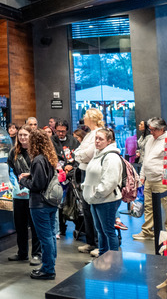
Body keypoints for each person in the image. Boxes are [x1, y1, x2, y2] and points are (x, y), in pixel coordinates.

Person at [19, 129, 60, 280]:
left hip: (40, 204)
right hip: (51, 202)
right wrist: (30, 174)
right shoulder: (49, 157)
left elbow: (37, 184)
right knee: (50, 235)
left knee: (45, 238)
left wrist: (23, 180)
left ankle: (48, 269)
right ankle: (50, 264)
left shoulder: (37, 160)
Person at [83, 128, 123, 257]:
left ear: (109, 141)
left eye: (101, 139)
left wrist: (96, 195)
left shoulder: (111, 157)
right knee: (100, 231)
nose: (97, 141)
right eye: (96, 138)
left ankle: (113, 261)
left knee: (108, 231)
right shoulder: (98, 154)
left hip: (106, 200)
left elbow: (109, 183)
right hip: (96, 200)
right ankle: (102, 257)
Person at [6, 125, 42, 266]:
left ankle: (37, 254)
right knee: (20, 226)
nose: (22, 137)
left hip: (33, 195)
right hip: (18, 194)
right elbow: (11, 170)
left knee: (35, 226)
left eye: (25, 135)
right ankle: (22, 253)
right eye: (20, 135)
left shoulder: (37, 152)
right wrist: (16, 186)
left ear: (31, 136)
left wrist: (28, 186)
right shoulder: (13, 152)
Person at [134, 117, 167, 240]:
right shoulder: (150, 139)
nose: (150, 132)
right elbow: (146, 159)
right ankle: (147, 231)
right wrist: (142, 176)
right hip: (149, 179)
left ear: (161, 129)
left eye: (153, 130)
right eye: (149, 129)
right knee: (148, 206)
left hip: (162, 179)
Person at [72, 108, 104, 254]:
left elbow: (87, 154)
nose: (83, 118)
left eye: (85, 116)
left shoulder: (98, 133)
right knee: (86, 208)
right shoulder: (90, 134)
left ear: (91, 117)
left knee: (93, 208)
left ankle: (99, 244)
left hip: (93, 172)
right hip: (85, 170)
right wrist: (79, 155)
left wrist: (78, 155)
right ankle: (91, 242)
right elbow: (79, 152)